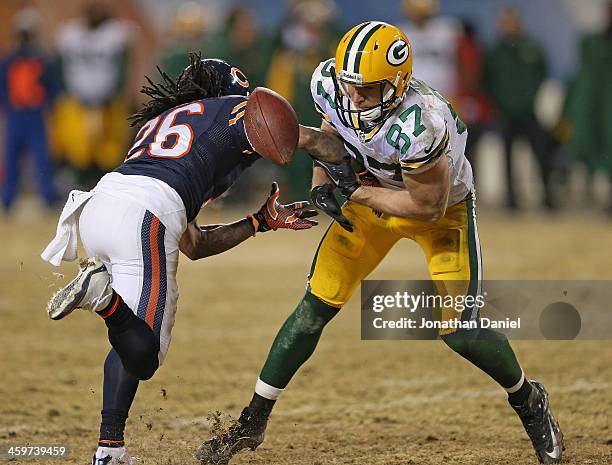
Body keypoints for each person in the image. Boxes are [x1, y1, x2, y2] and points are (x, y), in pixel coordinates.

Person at [198, 22, 564, 465]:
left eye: (367, 88)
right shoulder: (333, 84)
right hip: (371, 197)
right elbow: (333, 132)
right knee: (314, 308)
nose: (355, 96)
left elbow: (425, 204)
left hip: (438, 211)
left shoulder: (422, 123)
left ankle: (528, 399)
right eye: (349, 85)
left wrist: (350, 190)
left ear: (397, 82)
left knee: (460, 331)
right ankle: (252, 421)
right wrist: (321, 179)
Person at [41, 55, 317, 465]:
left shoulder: (163, 131)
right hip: (145, 213)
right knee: (146, 353)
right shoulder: (226, 110)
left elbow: (194, 245)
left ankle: (110, 449)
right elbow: (282, 129)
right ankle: (101, 297)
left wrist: (258, 222)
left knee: (130, 332)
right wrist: (336, 153)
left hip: (100, 207)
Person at [482, 7, 552, 210]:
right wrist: (498, 102)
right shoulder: (495, 52)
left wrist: (529, 97)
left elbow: (542, 73)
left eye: (511, 21)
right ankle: (512, 200)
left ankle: (548, 197)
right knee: (508, 158)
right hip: (505, 113)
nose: (508, 25)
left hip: (529, 111)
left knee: (541, 154)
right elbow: (486, 81)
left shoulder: (531, 47)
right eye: (504, 21)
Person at [0, 7, 59, 211]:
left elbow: (52, 86)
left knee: (41, 158)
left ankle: (48, 198)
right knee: (11, 158)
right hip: (16, 114)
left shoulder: (43, 59)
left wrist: (49, 105)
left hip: (35, 114)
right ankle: (8, 199)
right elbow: (3, 86)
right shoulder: (9, 59)